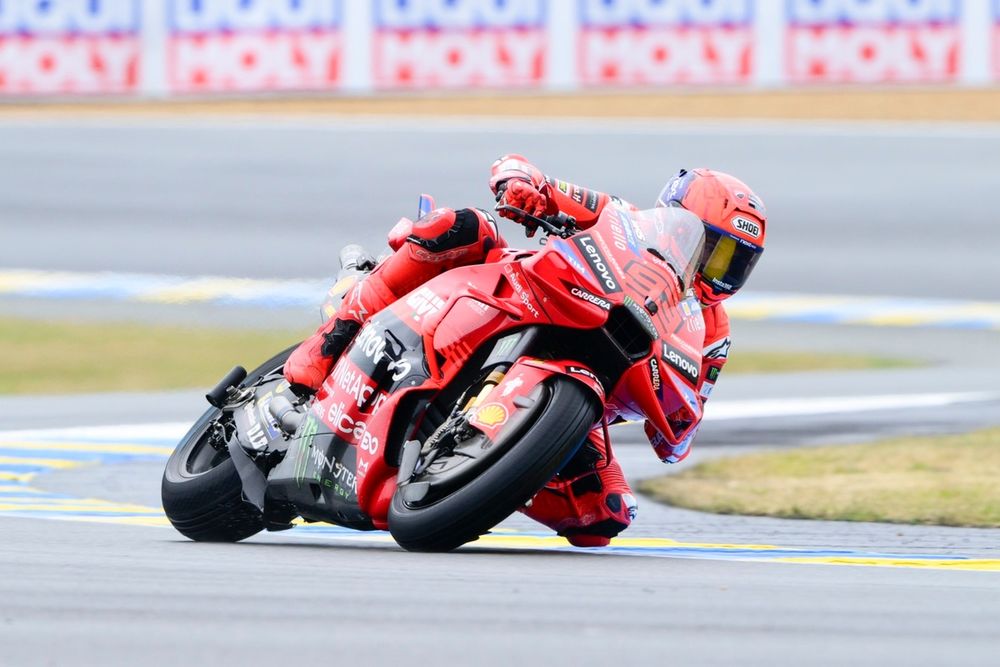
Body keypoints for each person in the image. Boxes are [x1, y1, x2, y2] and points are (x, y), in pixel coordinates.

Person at [284, 154, 767, 547]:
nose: (714, 268)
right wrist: (522, 184)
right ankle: (327, 346)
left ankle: (470, 474)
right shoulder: (624, 220)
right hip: (518, 298)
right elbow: (532, 178)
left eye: (733, 261)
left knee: (603, 517)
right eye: (710, 247)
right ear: (675, 219)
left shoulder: (712, 332)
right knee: (465, 226)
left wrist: (675, 418)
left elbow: (680, 431)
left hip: (580, 393)